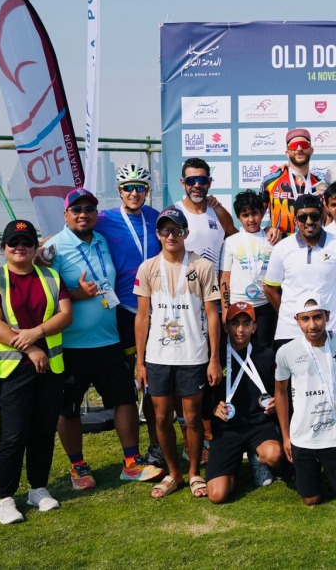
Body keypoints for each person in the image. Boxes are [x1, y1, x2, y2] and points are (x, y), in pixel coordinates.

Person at [44, 188, 162, 492]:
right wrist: (75, 294)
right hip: (71, 345)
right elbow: (43, 293)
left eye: (89, 209)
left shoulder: (101, 240)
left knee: (124, 400)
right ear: (66, 214)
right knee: (67, 408)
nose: (83, 214)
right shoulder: (53, 248)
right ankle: (78, 467)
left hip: (108, 339)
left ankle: (131, 463)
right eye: (77, 209)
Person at [0, 219, 73, 524]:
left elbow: (65, 315)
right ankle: (4, 498)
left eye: (27, 243)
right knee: (14, 434)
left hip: (50, 369)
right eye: (13, 243)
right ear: (3, 248)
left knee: (43, 430)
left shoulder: (51, 276)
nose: (20, 248)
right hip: (11, 371)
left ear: (35, 248)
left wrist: (36, 332)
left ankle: (38, 488)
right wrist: (30, 347)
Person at [135, 206, 223, 499]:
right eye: (164, 230)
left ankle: (195, 472)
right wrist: (140, 361)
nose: (170, 235)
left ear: (185, 233)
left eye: (176, 230)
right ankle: (174, 473)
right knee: (161, 418)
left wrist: (213, 359)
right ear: (158, 235)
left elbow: (212, 315)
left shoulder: (202, 267)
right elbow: (143, 317)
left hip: (193, 356)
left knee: (193, 417)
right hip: (158, 357)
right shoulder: (147, 267)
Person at [95, 163, 162, 463]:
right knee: (127, 386)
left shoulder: (156, 217)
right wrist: (43, 252)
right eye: (129, 188)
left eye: (141, 187)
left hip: (156, 308)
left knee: (153, 382)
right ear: (119, 191)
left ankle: (157, 447)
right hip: (123, 309)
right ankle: (131, 455)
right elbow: (71, 230)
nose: (135, 193)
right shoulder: (104, 218)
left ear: (148, 190)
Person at [275, 298, 336, 505]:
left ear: (327, 316)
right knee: (311, 500)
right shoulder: (286, 351)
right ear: (296, 320)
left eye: (317, 317)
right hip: (304, 436)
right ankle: (318, 475)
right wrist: (287, 436)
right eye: (305, 319)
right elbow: (280, 393)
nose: (312, 325)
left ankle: (333, 472)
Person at [205, 302, 285, 503]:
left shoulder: (266, 354)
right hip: (228, 428)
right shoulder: (215, 357)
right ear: (226, 327)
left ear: (254, 327)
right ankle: (232, 468)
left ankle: (258, 459)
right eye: (235, 324)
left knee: (274, 455)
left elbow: (280, 390)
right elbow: (201, 396)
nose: (240, 329)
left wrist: (277, 403)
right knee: (217, 495)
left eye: (246, 323)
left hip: (259, 425)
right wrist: (213, 408)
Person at [264, 194, 336, 348]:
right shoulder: (282, 248)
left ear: (322, 217)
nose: (309, 222)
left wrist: (332, 315)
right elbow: (270, 288)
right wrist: (290, 314)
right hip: (290, 332)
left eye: (314, 216)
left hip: (330, 330)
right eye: (302, 218)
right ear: (295, 220)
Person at [221, 190, 276, 347]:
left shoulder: (272, 238)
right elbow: (225, 277)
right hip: (239, 304)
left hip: (265, 305)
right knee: (239, 348)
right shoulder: (231, 241)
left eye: (255, 213)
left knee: (264, 350)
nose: (251, 219)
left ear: (261, 213)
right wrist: (225, 309)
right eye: (245, 215)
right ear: (238, 217)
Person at [262, 128, 327, 240]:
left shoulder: (321, 185)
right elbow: (255, 217)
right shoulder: (270, 181)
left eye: (303, 144)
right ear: (287, 153)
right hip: (280, 247)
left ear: (311, 150)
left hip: (312, 246)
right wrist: (267, 229)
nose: (299, 149)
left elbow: (327, 223)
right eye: (294, 146)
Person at [177, 157, 238, 272]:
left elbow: (239, 243)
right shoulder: (174, 213)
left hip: (213, 288)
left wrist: (265, 232)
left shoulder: (220, 213)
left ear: (209, 182)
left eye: (202, 180)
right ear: (182, 183)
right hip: (182, 288)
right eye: (191, 180)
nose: (197, 185)